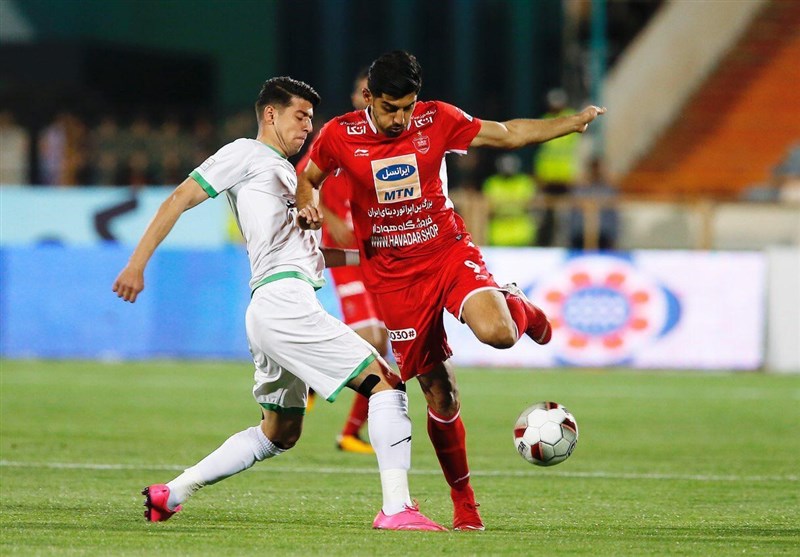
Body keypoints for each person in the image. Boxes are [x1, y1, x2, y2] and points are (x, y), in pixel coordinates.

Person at [112, 76, 444, 531]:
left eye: (311, 119)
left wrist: (373, 254)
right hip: (284, 303)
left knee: (279, 433)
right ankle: (397, 508)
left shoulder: (288, 175)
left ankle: (171, 493)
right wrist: (136, 265)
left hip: (274, 306)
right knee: (386, 384)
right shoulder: (245, 154)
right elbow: (179, 198)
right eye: (300, 116)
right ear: (270, 114)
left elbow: (309, 252)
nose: (308, 126)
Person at [297, 51, 605, 531]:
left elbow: (506, 133)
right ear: (368, 98)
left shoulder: (436, 119)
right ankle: (465, 504)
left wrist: (570, 123)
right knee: (439, 394)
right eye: (390, 108)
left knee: (499, 333)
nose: (401, 119)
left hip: (446, 251)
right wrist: (307, 205)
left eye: (408, 107)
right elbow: (308, 178)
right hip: (394, 278)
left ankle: (519, 308)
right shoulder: (340, 134)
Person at [296, 69, 388, 455]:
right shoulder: (337, 135)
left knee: (382, 344)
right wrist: (330, 219)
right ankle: (311, 377)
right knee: (372, 339)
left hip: (376, 255)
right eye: (362, 91)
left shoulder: (391, 141)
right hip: (345, 255)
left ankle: (349, 430)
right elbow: (303, 178)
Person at [532, 88, 582, 246]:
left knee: (565, 218)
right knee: (545, 216)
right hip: (548, 178)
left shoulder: (571, 118)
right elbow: (543, 153)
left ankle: (565, 245)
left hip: (566, 178)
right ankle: (546, 244)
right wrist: (539, 175)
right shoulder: (545, 120)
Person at [481, 153, 537, 246]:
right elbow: (488, 207)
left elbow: (530, 204)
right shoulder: (492, 183)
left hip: (521, 232)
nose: (508, 168)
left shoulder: (525, 182)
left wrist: (503, 206)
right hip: (497, 233)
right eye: (505, 165)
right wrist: (514, 205)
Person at [568, 157, 619, 250]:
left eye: (598, 169)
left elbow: (613, 216)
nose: (595, 172)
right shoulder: (580, 189)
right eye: (593, 169)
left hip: (604, 234)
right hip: (580, 234)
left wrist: (613, 236)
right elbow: (574, 210)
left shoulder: (608, 189)